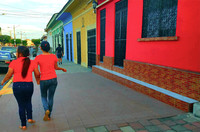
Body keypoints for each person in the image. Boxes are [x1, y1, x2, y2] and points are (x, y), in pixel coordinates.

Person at [1, 46, 40, 130]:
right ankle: (29, 118)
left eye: (17, 51)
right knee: (28, 101)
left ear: (20, 53)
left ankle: (23, 125)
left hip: (17, 86)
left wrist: (3, 81)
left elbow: (9, 75)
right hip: (29, 85)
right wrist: (38, 80)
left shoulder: (14, 63)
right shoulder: (32, 62)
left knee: (21, 105)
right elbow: (37, 73)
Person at [34, 41, 67, 121]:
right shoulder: (53, 56)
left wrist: (38, 80)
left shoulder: (38, 58)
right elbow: (56, 67)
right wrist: (62, 68)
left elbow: (36, 72)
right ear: (49, 48)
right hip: (53, 79)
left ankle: (46, 109)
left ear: (41, 48)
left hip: (44, 80)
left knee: (43, 96)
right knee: (51, 97)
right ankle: (49, 115)